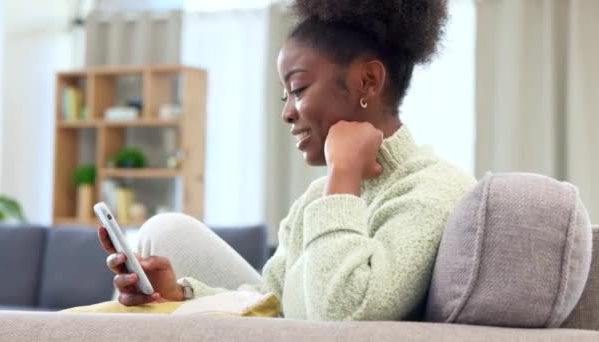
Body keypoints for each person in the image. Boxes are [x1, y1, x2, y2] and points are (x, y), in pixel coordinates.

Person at [98, 0, 476, 321]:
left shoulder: (434, 189)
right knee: (162, 234)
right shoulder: (318, 197)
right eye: (286, 96)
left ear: (368, 81)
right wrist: (178, 293)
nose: (288, 113)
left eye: (298, 89)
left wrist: (344, 173)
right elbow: (271, 301)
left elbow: (344, 314)